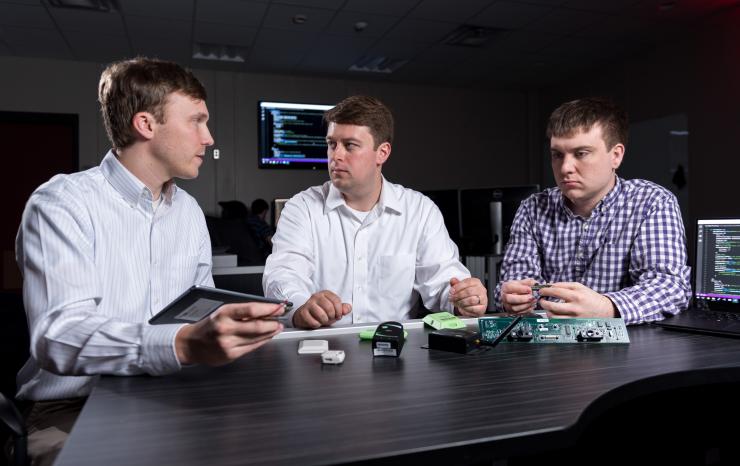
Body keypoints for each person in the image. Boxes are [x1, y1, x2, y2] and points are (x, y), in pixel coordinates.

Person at [13, 57, 284, 465]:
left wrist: (230, 324)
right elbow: (59, 336)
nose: (208, 138)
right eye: (196, 121)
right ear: (146, 124)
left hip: (170, 393)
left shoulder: (189, 211)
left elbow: (197, 307)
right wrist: (181, 343)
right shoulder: (62, 203)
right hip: (72, 408)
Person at [263, 95, 487, 329]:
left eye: (349, 145)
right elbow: (283, 274)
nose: (336, 155)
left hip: (397, 352)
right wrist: (300, 306)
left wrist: (465, 298)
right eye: (332, 144)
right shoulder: (302, 208)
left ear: (382, 152)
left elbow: (443, 282)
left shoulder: (419, 211)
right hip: (319, 349)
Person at [494, 97, 691, 324]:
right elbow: (510, 287)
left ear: (616, 155)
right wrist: (512, 298)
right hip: (548, 350)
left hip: (630, 351)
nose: (565, 168)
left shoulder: (652, 202)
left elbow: (669, 287)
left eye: (581, 153)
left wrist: (607, 307)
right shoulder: (532, 209)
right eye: (557, 155)